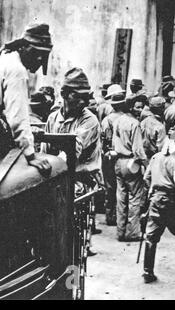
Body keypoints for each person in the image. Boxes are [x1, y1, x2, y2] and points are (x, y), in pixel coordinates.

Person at [43, 67, 103, 249]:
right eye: (79, 96)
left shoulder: (89, 121)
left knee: (73, 246)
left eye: (87, 96)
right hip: (56, 182)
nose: (85, 101)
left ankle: (72, 276)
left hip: (78, 186)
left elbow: (71, 152)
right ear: (64, 94)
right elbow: (45, 152)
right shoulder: (53, 118)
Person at [0, 22, 52, 173]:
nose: (39, 60)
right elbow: (18, 116)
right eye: (37, 54)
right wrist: (30, 155)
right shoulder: (17, 70)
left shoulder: (5, 57)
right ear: (24, 47)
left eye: (43, 56)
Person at [141, 139, 175, 283]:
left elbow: (146, 178)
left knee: (151, 236)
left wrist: (152, 191)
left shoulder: (155, 158)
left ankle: (147, 271)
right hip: (172, 200)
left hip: (155, 199)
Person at [112, 94, 147, 241]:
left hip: (118, 161)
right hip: (131, 162)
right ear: (130, 107)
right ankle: (132, 232)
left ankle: (120, 231)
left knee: (121, 198)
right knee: (135, 199)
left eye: (141, 107)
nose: (140, 110)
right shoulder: (135, 124)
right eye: (137, 107)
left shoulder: (118, 121)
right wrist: (147, 165)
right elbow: (138, 150)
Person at [100, 90, 126, 226]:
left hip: (110, 155)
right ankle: (121, 216)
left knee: (110, 186)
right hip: (124, 155)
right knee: (122, 187)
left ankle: (110, 216)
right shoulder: (128, 119)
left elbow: (105, 139)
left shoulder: (107, 120)